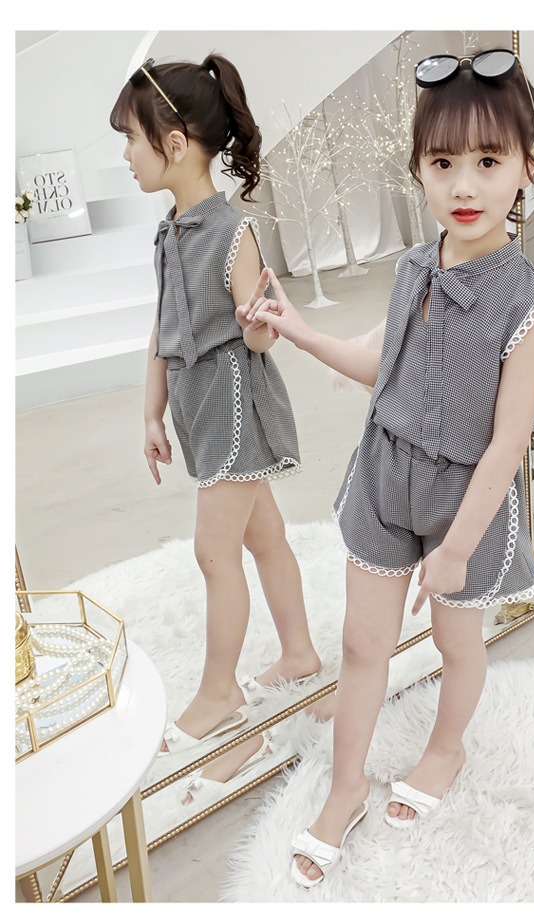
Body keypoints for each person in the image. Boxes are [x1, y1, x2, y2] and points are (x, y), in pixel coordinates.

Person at [239, 48, 534, 886]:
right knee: (362, 643)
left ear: (529, 164)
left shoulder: (531, 302)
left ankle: (446, 748)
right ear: (417, 169)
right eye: (442, 163)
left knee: (457, 642)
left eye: (488, 161)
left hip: (466, 497)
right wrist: (301, 331)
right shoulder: (413, 268)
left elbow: (508, 442)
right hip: (385, 475)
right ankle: (345, 786)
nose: (465, 185)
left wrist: (456, 549)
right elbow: (378, 367)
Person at [109, 54, 321, 787]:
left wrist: (258, 324)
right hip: (197, 407)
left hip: (232, 405)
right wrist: (151, 411)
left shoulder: (233, 233)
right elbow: (162, 327)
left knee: (214, 551)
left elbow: (260, 334)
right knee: (264, 536)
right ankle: (299, 653)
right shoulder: (170, 233)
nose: (126, 155)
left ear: (172, 144)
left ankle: (221, 691)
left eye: (130, 140)